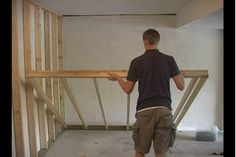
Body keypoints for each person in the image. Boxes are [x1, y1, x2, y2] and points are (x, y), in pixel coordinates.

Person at [108, 28, 185, 157]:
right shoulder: (169, 60)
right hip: (164, 109)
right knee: (161, 152)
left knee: (140, 150)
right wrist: (181, 75)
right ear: (157, 41)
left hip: (145, 111)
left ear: (145, 42)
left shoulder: (136, 62)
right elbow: (181, 86)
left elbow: (128, 89)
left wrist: (117, 77)